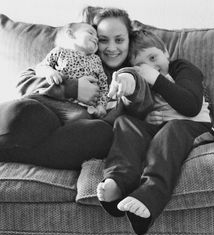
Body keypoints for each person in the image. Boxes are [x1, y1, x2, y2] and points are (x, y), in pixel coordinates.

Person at [0, 7, 151, 170]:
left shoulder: (130, 74)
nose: (111, 48)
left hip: (74, 132)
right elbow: (24, 81)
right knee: (24, 111)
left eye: (119, 40)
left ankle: (13, 154)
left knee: (101, 133)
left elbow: (141, 107)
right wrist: (72, 88)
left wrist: (127, 84)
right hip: (42, 113)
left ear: (130, 40)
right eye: (103, 40)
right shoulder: (68, 54)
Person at [96, 29, 214, 235]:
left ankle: (150, 196)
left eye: (153, 57)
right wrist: (146, 118)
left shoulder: (182, 68)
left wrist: (157, 78)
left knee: (172, 129)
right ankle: (118, 182)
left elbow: (191, 106)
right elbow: (138, 108)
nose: (150, 66)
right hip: (161, 130)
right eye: (143, 65)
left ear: (166, 52)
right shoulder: (142, 81)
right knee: (125, 123)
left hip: (195, 128)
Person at [36, 22, 109, 118]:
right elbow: (40, 67)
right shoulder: (60, 52)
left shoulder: (96, 60)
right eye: (90, 33)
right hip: (58, 101)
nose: (96, 38)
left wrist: (101, 105)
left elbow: (103, 85)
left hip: (84, 108)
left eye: (98, 38)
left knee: (81, 116)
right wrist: (49, 72)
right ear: (70, 34)